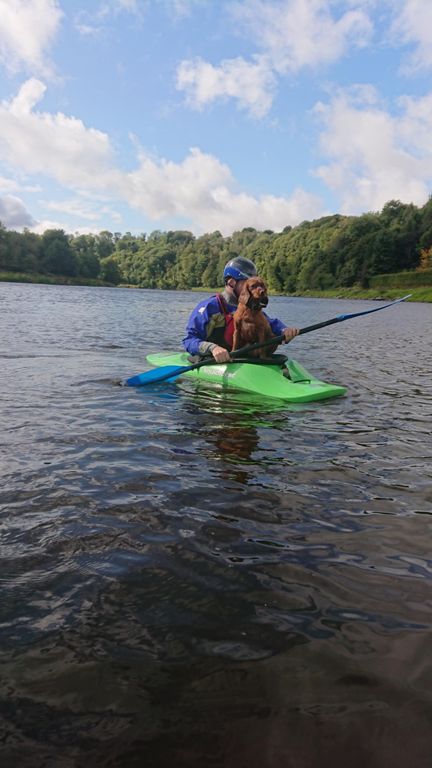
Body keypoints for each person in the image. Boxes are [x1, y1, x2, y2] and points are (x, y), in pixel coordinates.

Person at [182, 256, 299, 362]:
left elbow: (270, 323)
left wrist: (285, 331)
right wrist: (213, 348)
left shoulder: (250, 307)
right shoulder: (209, 307)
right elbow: (189, 340)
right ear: (231, 282)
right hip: (213, 360)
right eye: (246, 283)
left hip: (241, 359)